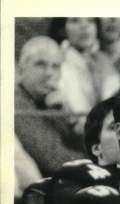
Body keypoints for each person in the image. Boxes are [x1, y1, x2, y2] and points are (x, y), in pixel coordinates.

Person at [15, 36, 85, 176]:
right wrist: (101, 165)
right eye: (40, 64)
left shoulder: (52, 101)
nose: (49, 73)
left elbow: (88, 147)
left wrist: (73, 124)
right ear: (20, 69)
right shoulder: (17, 104)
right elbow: (54, 160)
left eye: (55, 66)